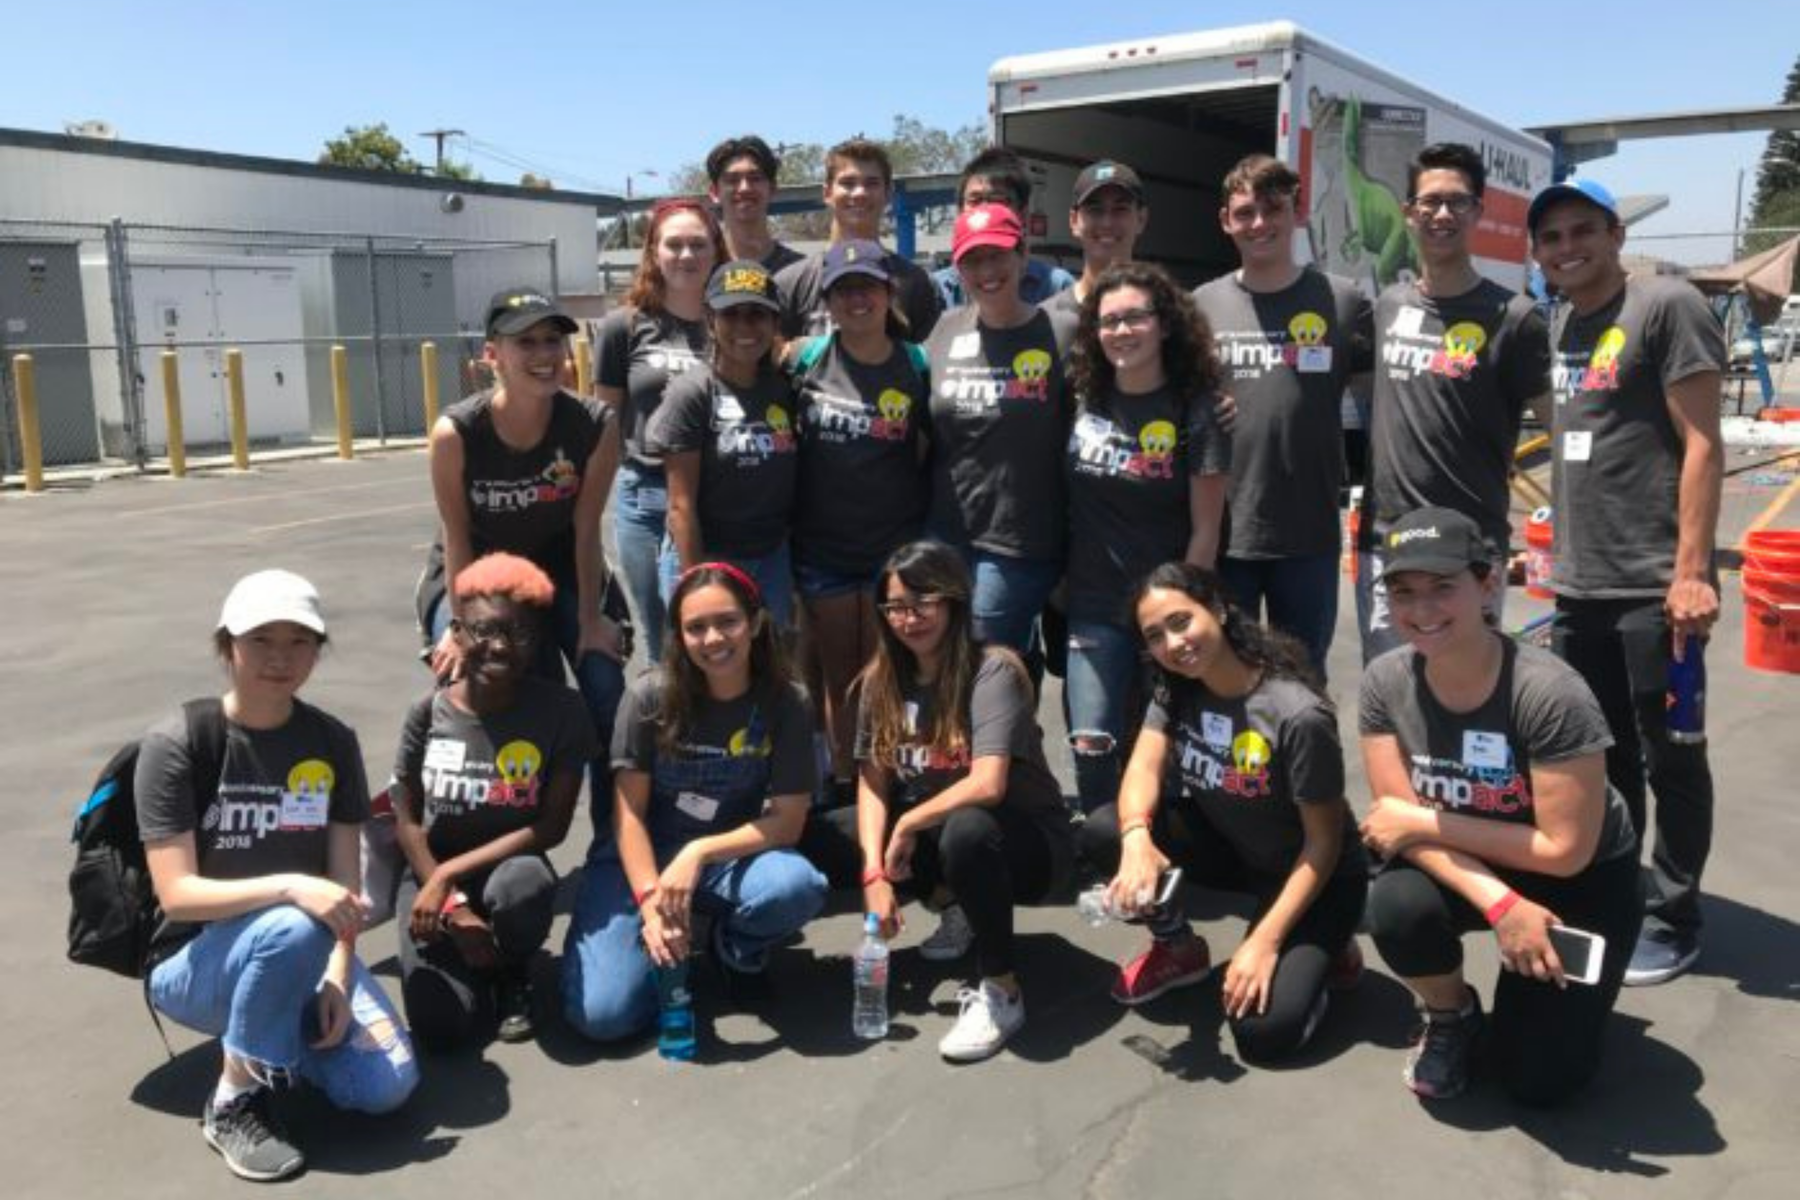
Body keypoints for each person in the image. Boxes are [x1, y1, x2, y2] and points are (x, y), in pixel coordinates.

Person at [138, 571, 417, 1182]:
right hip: (194, 964)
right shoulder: (180, 741)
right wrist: (291, 886)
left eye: (301, 641)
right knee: (294, 922)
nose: (281, 658)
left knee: (385, 1087)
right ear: (227, 645)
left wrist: (340, 979)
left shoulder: (331, 741)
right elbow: (177, 895)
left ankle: (271, 1039)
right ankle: (233, 1099)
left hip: (306, 948)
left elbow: (346, 888)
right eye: (262, 639)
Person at [1358, 507, 1643, 1104]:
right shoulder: (1385, 681)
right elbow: (1397, 823)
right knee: (1396, 904)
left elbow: (1564, 851)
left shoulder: (1549, 693)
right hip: (1476, 860)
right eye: (1404, 592)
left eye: (1443, 587)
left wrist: (1416, 820)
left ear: (1488, 584)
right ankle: (1451, 1014)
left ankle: (1556, 1017)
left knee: (1540, 1083)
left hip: (1582, 872)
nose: (1422, 610)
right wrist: (1502, 902)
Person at [1529, 177, 1724, 987]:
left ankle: (1674, 914)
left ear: (1614, 234)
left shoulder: (1666, 307)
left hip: (1653, 588)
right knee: (1602, 758)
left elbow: (1704, 444)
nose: (1567, 248)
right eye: (1552, 238)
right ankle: (1619, 890)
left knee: (1671, 755)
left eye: (1582, 231)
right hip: (1581, 587)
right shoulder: (1564, 321)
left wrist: (1690, 572)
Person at [1078, 562, 1366, 1061]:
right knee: (1106, 829)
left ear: (1218, 608)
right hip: (1239, 851)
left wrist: (1265, 943)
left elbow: (1324, 845)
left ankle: (1327, 951)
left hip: (1317, 873)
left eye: (1181, 621)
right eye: (1155, 635)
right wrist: (1136, 840)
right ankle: (1178, 949)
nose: (1173, 643)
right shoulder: (1177, 685)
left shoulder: (1297, 715)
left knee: (1262, 1034)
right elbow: (1144, 767)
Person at [801, 543, 1075, 1062]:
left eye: (924, 600)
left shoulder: (993, 672)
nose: (910, 617)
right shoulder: (881, 680)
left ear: (955, 601)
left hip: (1027, 847)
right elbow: (873, 784)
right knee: (822, 834)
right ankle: (956, 904)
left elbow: (988, 783)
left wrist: (905, 829)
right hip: (938, 830)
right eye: (897, 606)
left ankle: (1002, 990)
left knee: (966, 830)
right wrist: (873, 877)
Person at [562, 562, 827, 1043]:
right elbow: (628, 817)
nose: (713, 638)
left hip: (723, 855)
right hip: (639, 861)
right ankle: (662, 953)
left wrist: (698, 853)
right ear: (679, 636)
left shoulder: (787, 702)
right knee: (603, 1017)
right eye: (696, 627)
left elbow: (787, 823)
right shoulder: (648, 698)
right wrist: (650, 904)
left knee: (797, 886)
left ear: (754, 622)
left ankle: (735, 948)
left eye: (727, 621)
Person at [421, 287, 623, 815]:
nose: (543, 355)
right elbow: (457, 533)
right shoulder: (456, 432)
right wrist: (459, 627)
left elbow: (586, 530)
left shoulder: (594, 424)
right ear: (493, 356)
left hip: (562, 566)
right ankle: (486, 831)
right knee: (475, 670)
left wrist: (588, 620)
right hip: (476, 573)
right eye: (525, 342)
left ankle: (616, 836)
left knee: (603, 683)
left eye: (552, 341)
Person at [1357, 143, 1551, 663]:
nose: (1442, 214)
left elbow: (1566, 430)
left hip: (1469, 549)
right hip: (1387, 543)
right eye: (1430, 202)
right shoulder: (1389, 307)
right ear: (1408, 213)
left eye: (1458, 202)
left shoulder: (1514, 318)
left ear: (1478, 212)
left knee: (1468, 705)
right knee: (1389, 696)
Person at [393, 554, 597, 1047]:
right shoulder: (427, 712)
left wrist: (451, 875)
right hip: (429, 873)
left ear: (539, 641)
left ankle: (511, 969)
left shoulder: (563, 711)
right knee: (443, 1028)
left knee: (524, 885)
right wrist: (447, 896)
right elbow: (405, 816)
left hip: (506, 867)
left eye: (520, 634)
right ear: (458, 633)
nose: (500, 646)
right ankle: (467, 960)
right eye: (484, 631)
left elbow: (551, 829)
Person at [1192, 155, 1373, 677]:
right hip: (1228, 533)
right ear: (1226, 221)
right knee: (1230, 673)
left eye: (1272, 209)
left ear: (1295, 214)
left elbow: (1377, 405)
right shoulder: (1202, 305)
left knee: (1303, 676)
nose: (1259, 224)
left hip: (1309, 534)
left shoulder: (1342, 301)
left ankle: (1301, 763)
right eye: (1244, 213)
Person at [1063, 263, 1230, 814]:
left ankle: (1162, 853)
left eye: (1135, 316)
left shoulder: (1196, 409)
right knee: (1093, 743)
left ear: (1164, 325)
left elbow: (1207, 527)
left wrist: (1182, 616)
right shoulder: (1083, 396)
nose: (1122, 331)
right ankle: (1103, 848)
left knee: (1163, 746)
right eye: (1108, 321)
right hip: (1091, 602)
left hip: (1163, 612)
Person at [790, 239, 931, 800]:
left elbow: (926, 446)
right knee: (836, 671)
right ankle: (845, 783)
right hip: (821, 545)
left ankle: (886, 780)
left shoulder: (915, 362)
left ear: (887, 292)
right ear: (827, 298)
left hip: (889, 549)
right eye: (844, 290)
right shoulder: (805, 359)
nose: (856, 300)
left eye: (867, 288)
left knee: (884, 673)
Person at [924, 203, 1079, 656]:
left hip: (1021, 540)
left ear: (1022, 255)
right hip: (946, 532)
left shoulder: (1062, 331)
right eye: (973, 259)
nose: (987, 271)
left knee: (978, 650)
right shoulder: (944, 330)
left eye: (998, 255)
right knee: (951, 660)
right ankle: (1009, 728)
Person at [594, 201, 729, 663]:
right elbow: (605, 426)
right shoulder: (623, 326)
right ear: (654, 251)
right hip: (643, 497)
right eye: (674, 244)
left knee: (712, 633)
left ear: (717, 251)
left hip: (714, 495)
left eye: (698, 244)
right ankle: (670, 734)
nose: (686, 255)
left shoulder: (735, 323)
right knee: (660, 636)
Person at [650, 259, 800, 628]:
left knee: (769, 667)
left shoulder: (783, 388)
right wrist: (698, 585)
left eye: (757, 315)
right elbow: (680, 506)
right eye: (731, 314)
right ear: (710, 319)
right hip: (707, 556)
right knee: (705, 671)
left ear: (774, 323)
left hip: (770, 557)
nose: (745, 327)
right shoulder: (692, 393)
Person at [775, 136, 941, 341]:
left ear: (888, 194)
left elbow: (929, 365)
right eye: (847, 183)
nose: (860, 193)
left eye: (871, 183)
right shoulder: (791, 283)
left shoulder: (916, 282)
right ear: (827, 193)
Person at [930, 146, 1075, 310]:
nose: (985, 210)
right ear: (959, 211)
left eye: (998, 200)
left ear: (1023, 214)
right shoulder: (936, 291)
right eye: (975, 200)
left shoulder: (1057, 287)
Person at [1043, 160, 1151, 320]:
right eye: (1095, 210)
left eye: (1120, 209)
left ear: (1141, 219)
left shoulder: (1166, 316)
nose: (1107, 222)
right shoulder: (1047, 321)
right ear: (1073, 221)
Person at [705, 134, 804, 272]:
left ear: (772, 188)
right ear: (714, 192)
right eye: (732, 180)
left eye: (755, 178)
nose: (745, 188)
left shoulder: (800, 271)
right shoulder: (700, 269)